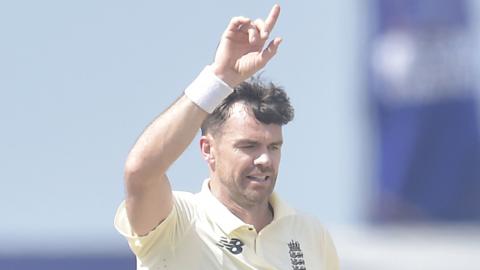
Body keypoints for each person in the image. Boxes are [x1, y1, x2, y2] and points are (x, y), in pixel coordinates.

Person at [114, 4, 339, 269]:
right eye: (249, 146)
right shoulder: (179, 222)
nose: (265, 159)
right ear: (208, 149)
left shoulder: (310, 233)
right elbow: (141, 172)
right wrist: (219, 79)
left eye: (274, 146)